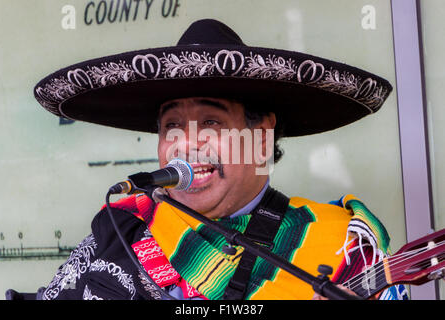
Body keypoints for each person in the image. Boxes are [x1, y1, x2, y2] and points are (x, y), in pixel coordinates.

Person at [27, 19, 408, 300]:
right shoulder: (123, 228)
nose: (186, 143)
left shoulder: (342, 243)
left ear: (261, 137)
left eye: (211, 122)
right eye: (171, 124)